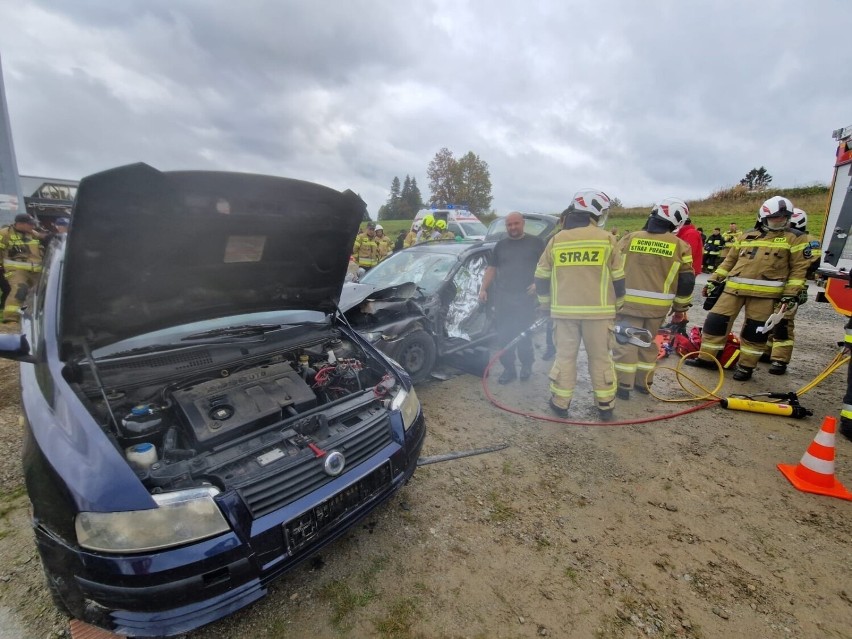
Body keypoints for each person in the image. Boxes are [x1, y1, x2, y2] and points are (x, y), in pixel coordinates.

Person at [686, 196, 810, 381]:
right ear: (763, 216)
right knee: (714, 323)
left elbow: (799, 270)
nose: (779, 221)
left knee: (755, 332)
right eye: (775, 217)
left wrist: (790, 295)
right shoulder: (746, 236)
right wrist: (714, 280)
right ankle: (707, 359)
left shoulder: (796, 239)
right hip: (732, 290)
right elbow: (729, 261)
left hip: (765, 296)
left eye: (783, 218)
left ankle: (746, 367)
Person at [535, 190, 625, 421]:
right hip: (600, 313)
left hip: (564, 313)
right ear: (594, 212)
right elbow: (619, 278)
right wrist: (619, 305)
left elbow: (541, 276)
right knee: (601, 358)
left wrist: (545, 304)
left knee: (565, 357)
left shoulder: (556, 240)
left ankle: (560, 402)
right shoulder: (607, 238)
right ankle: (605, 404)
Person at [613, 198, 695, 398]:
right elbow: (686, 281)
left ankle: (624, 386)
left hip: (628, 305)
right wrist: (680, 308)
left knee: (626, 344)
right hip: (658, 308)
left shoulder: (630, 238)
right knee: (648, 342)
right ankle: (644, 383)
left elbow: (612, 268)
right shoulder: (680, 245)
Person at [479, 212, 545, 384]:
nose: (513, 227)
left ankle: (526, 365)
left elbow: (548, 267)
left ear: (523, 224)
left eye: (516, 224)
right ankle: (508, 369)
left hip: (526, 298)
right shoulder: (501, 245)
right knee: (504, 335)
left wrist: (538, 283)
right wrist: (483, 288)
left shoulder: (536, 243)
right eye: (509, 225)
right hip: (504, 297)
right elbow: (492, 268)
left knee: (524, 334)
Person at [762, 208, 821, 374]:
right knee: (767, 320)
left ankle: (780, 361)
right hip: (773, 285)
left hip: (791, 287)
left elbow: (811, 264)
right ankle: (767, 352)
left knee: (783, 324)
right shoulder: (779, 237)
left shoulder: (809, 240)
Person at [0, 213, 45, 323]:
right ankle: (11, 319)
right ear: (19, 224)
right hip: (16, 270)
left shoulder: (34, 234)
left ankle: (27, 316)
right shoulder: (4, 234)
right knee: (20, 290)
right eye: (30, 224)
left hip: (36, 272)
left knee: (35, 295)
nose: (32, 226)